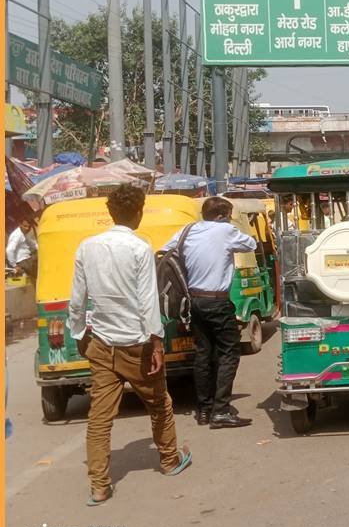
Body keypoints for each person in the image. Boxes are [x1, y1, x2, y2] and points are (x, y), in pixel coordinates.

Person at [68, 184, 191, 506]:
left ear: (111, 213)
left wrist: (79, 332)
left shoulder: (87, 247)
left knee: (99, 418)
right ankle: (169, 459)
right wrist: (157, 343)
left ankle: (99, 486)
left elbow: (77, 299)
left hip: (101, 343)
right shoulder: (139, 247)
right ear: (137, 212)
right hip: (137, 345)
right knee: (160, 405)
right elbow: (148, 300)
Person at [163, 197, 256, 428]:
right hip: (217, 301)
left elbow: (165, 250)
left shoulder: (188, 230)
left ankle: (204, 409)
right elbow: (251, 244)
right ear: (221, 215)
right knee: (229, 353)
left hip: (194, 301)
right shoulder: (225, 230)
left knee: (203, 354)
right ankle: (221, 410)